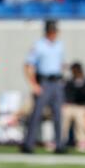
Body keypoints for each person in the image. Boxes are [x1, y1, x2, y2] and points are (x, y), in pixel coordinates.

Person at [22, 19, 66, 154]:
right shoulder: (39, 45)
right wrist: (34, 85)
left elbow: (61, 64)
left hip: (57, 82)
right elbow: (28, 66)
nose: (54, 34)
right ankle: (29, 144)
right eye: (52, 31)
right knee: (36, 114)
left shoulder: (59, 45)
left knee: (58, 115)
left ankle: (59, 145)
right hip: (44, 82)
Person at [62, 62, 85, 153]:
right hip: (72, 106)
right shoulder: (70, 82)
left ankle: (82, 141)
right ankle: (60, 139)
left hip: (84, 107)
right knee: (64, 114)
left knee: (80, 117)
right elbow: (67, 97)